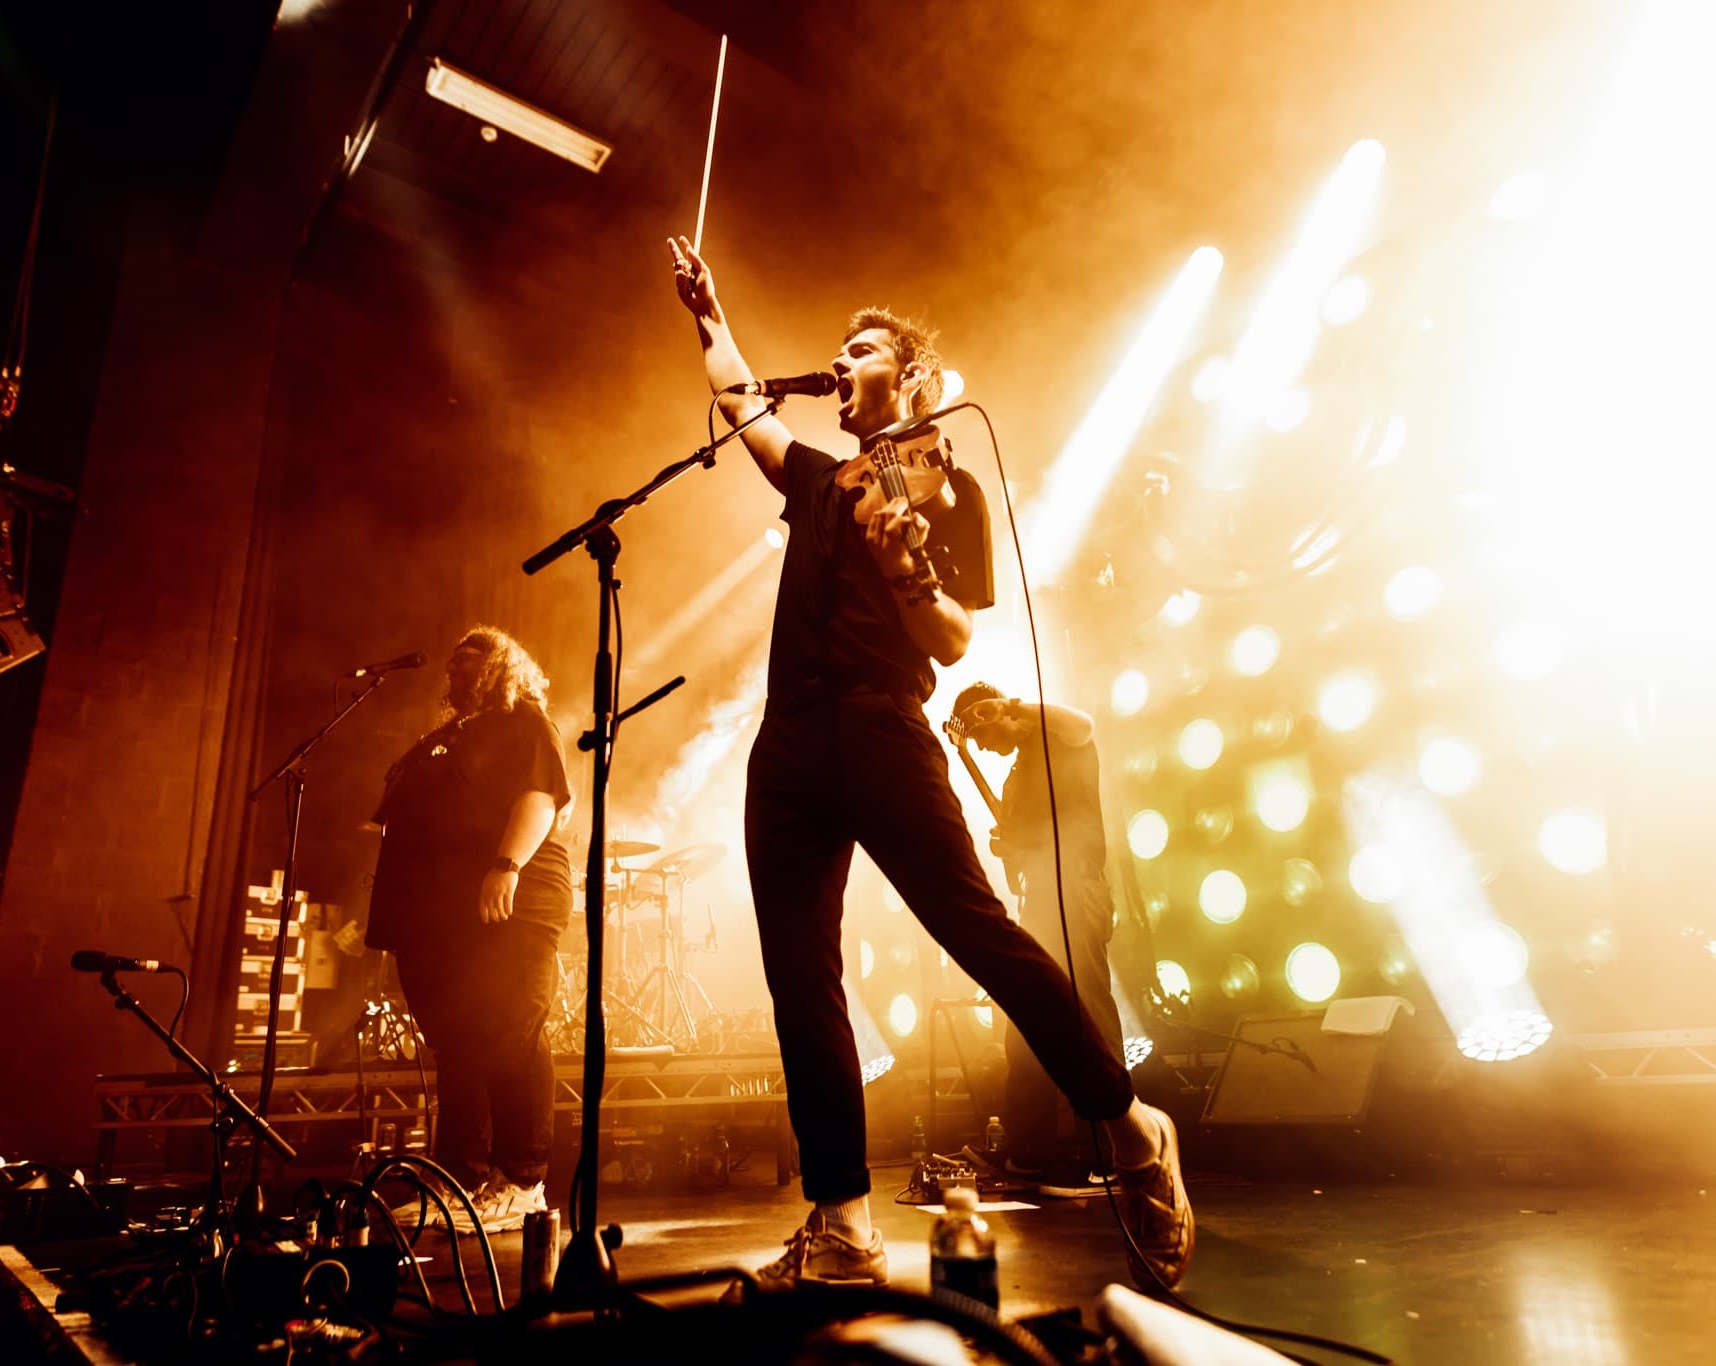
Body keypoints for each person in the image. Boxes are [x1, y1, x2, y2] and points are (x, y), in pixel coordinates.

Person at [668, 235, 1192, 1292]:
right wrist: (707, 310)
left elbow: (953, 641)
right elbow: (740, 402)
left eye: (858, 347)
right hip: (787, 742)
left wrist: (907, 567)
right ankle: (843, 1224)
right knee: (799, 981)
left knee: (979, 935)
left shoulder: (941, 484)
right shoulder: (817, 480)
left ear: (905, 375)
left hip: (878, 728)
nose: (838, 358)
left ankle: (1132, 1127)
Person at [365, 626, 572, 1234]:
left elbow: (539, 797)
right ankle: (460, 1179)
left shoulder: (524, 720)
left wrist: (505, 866)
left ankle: (523, 1180)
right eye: (452, 660)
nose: (456, 667)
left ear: (504, 667)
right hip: (440, 913)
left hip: (514, 895)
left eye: (472, 658)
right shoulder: (444, 739)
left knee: (512, 1030)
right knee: (456, 1045)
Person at [948, 684, 1130, 1197]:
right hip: (1042, 901)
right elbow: (1018, 863)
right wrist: (1008, 849)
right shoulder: (1014, 774)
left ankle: (1115, 1152)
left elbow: (1085, 725)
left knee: (1089, 1012)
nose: (982, 747)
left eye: (984, 733)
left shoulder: (1054, 740)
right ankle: (1027, 1153)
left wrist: (1012, 708)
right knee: (1027, 1022)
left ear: (1000, 714)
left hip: (1076, 888)